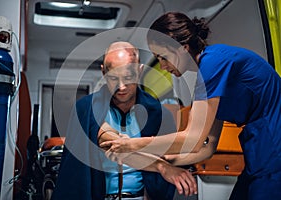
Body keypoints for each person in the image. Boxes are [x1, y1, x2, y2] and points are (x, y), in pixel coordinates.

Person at [100, 12, 281, 200]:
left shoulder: (213, 63)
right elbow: (207, 146)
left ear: (182, 48)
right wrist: (166, 163)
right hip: (260, 153)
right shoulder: (208, 78)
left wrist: (131, 144)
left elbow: (193, 138)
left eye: (163, 57)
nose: (162, 66)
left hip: (274, 150)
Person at [52, 41, 197, 200]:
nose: (121, 87)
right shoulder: (86, 108)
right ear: (103, 72)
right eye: (113, 77)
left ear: (140, 71)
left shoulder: (160, 114)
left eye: (128, 77)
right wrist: (162, 167)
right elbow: (113, 145)